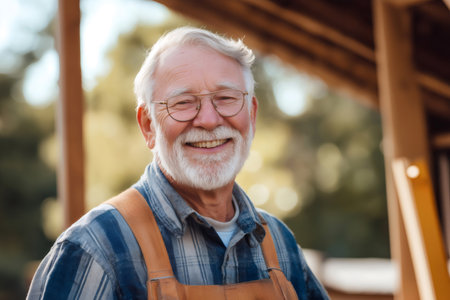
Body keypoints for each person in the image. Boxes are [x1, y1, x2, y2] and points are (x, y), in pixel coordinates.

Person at [27, 27, 329, 299]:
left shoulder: (280, 244)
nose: (209, 120)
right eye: (183, 102)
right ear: (148, 125)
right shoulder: (97, 248)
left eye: (225, 98)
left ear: (251, 114)